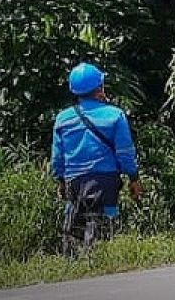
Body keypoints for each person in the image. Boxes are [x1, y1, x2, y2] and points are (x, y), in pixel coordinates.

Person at [51, 63, 143, 239]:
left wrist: (61, 182)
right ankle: (100, 257)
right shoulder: (115, 115)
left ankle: (76, 260)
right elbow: (125, 153)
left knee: (75, 227)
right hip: (106, 180)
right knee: (104, 224)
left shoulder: (62, 119)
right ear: (99, 87)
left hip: (73, 181)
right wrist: (134, 179)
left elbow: (57, 158)